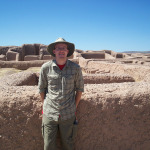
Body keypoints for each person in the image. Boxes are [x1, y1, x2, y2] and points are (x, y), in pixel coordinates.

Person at [38, 37, 84, 150]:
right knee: (48, 146)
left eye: (64, 48)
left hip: (68, 114)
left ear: (68, 51)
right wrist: (45, 105)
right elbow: (42, 89)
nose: (61, 50)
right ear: (54, 51)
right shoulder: (46, 68)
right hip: (49, 113)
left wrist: (74, 107)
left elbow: (79, 89)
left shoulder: (76, 69)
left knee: (68, 144)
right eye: (59, 48)